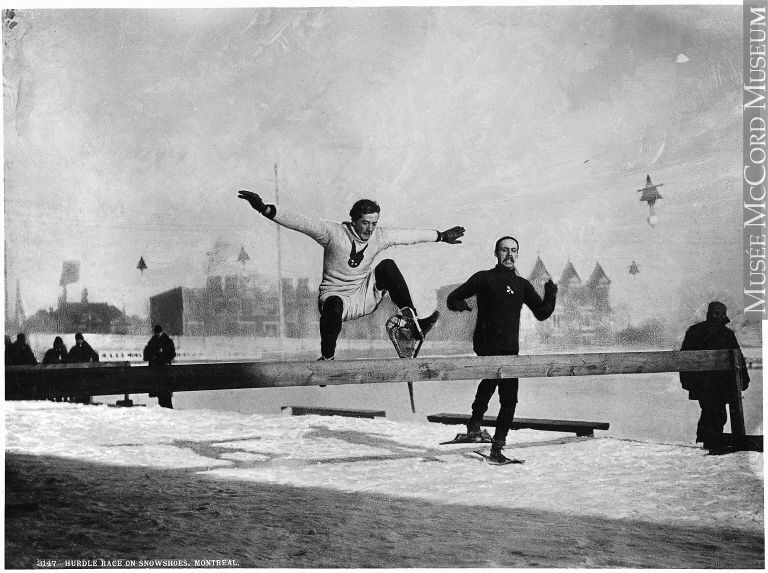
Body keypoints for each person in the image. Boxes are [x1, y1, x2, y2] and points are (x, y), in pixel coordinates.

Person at [238, 190, 465, 360]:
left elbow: (408, 235)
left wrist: (441, 236)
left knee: (387, 266)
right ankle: (327, 357)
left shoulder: (379, 237)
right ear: (353, 220)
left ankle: (413, 325)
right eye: (364, 223)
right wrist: (264, 208)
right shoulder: (332, 233)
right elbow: (301, 223)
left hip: (363, 295)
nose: (369, 229)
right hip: (334, 300)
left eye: (374, 224)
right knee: (334, 303)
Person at [446, 236, 557, 464]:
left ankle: (487, 437)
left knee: (507, 398)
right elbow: (452, 298)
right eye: (504, 250)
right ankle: (481, 432)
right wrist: (463, 306)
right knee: (495, 382)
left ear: (517, 255)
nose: (509, 255)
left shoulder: (522, 285)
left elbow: (542, 313)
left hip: (509, 349)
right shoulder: (484, 278)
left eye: (513, 251)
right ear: (496, 253)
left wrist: (551, 293)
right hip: (487, 345)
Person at [680, 301, 749, 453]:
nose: (718, 316)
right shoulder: (695, 331)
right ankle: (710, 442)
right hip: (703, 383)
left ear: (725, 314)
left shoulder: (728, 334)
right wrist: (687, 381)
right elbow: (685, 357)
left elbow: (738, 357)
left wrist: (744, 379)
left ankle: (708, 441)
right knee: (712, 411)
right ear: (709, 313)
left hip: (724, 384)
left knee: (717, 413)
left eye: (721, 313)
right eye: (715, 313)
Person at [143, 324, 176, 409]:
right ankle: (165, 409)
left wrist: (157, 355)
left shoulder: (158, 341)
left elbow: (147, 354)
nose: (156, 335)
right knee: (163, 392)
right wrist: (158, 355)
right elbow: (146, 355)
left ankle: (165, 409)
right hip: (161, 370)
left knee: (163, 392)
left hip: (160, 370)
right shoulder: (165, 340)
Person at [67, 332, 99, 404]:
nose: (78, 341)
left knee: (81, 387)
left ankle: (80, 399)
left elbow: (95, 356)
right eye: (77, 339)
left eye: (79, 339)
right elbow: (95, 357)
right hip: (84, 372)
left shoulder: (83, 347)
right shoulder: (82, 348)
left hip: (81, 372)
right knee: (83, 388)